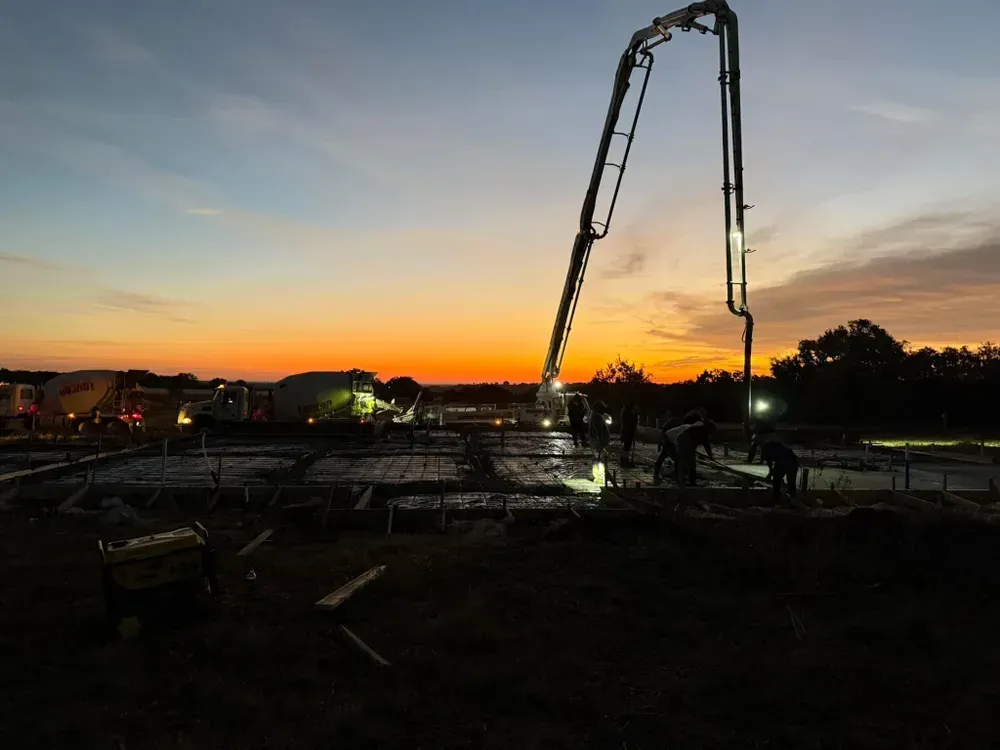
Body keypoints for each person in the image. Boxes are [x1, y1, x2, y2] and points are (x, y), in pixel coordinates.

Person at [652, 410, 699, 482]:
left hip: (673, 439)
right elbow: (665, 431)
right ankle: (659, 474)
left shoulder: (685, 425)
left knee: (675, 457)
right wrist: (661, 443)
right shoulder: (675, 422)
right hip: (669, 438)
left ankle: (677, 475)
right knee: (667, 456)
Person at [589, 401, 611, 465]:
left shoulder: (596, 415)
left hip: (598, 443)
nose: (603, 409)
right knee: (600, 461)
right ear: (599, 408)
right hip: (599, 443)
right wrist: (601, 443)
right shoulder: (597, 417)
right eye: (602, 408)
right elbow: (598, 431)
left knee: (600, 460)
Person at [619, 402, 639, 467]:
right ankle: (624, 461)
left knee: (626, 447)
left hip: (626, 431)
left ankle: (624, 461)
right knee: (626, 447)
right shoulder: (629, 412)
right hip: (628, 432)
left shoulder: (625, 410)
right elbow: (631, 423)